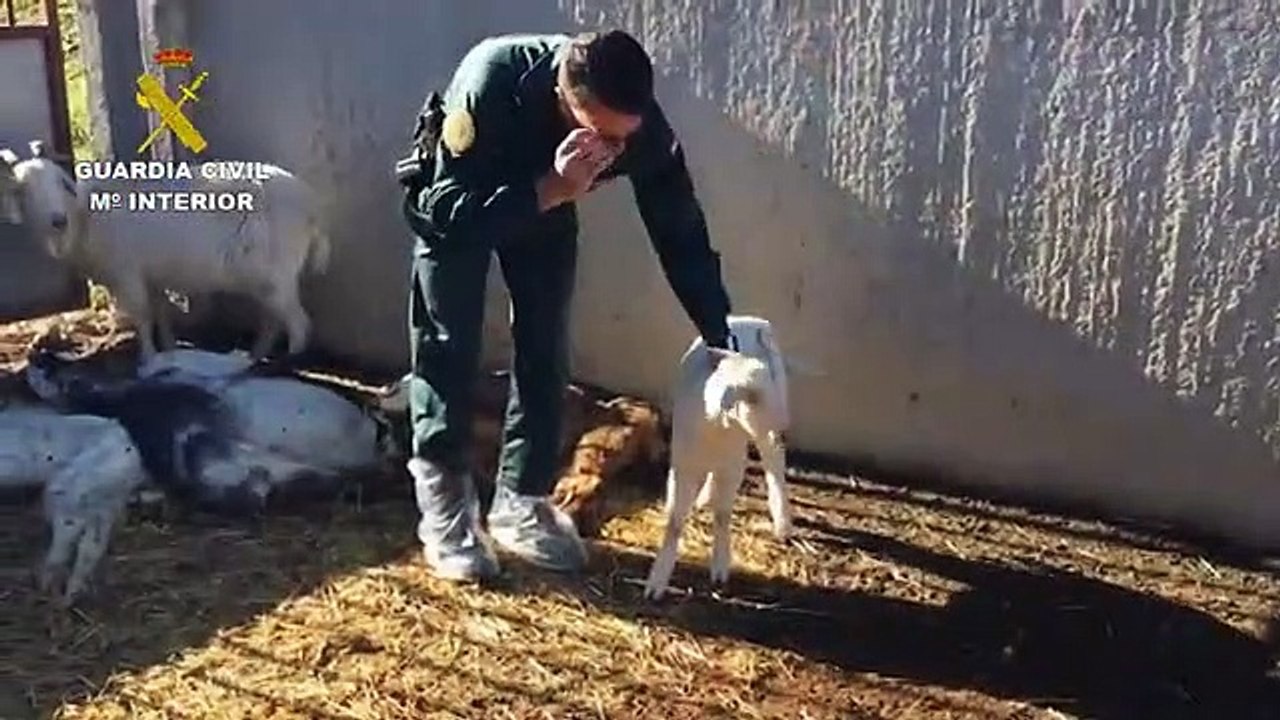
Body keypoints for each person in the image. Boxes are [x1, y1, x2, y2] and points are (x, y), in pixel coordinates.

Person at [396, 29, 736, 582]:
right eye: (598, 133)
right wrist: (549, 187)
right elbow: (449, 210)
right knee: (447, 344)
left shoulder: (637, 127)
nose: (612, 151)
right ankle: (445, 508)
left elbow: (680, 228)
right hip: (461, 204)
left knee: (545, 345)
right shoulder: (492, 83)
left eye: (622, 140)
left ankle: (522, 500)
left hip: (551, 197)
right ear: (565, 98)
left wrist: (720, 328)